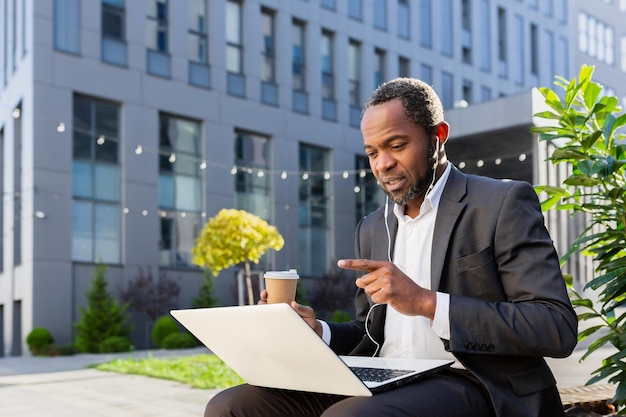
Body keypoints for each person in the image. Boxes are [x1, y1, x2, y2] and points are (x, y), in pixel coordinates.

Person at [204, 78, 578, 417]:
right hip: (384, 378)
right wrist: (319, 332)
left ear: (439, 136)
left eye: (397, 145)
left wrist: (428, 302)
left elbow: (554, 326)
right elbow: (371, 332)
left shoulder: (501, 203)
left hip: (475, 382)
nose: (382, 164)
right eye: (371, 152)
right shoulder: (372, 227)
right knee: (231, 406)